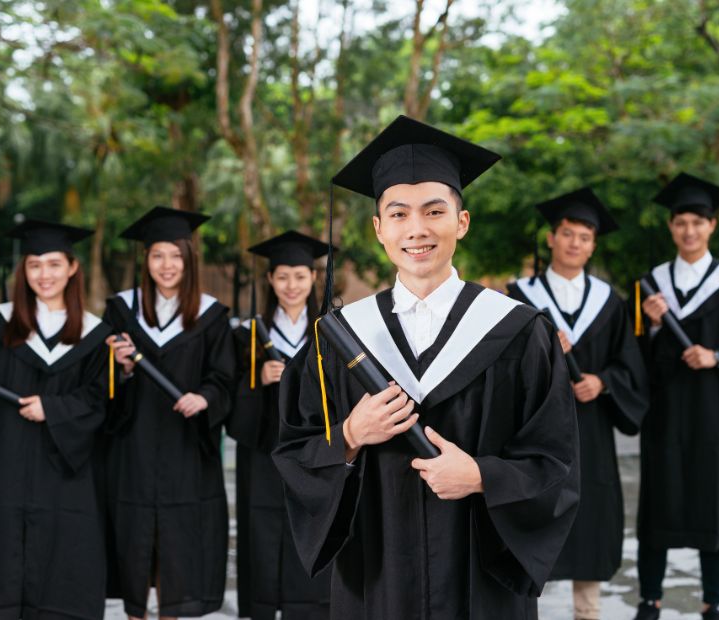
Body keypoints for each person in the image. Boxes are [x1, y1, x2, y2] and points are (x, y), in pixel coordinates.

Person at [273, 115, 580, 619]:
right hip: (376, 580)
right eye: (398, 214)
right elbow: (293, 450)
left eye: (434, 211)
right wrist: (350, 433)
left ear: (461, 221)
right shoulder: (340, 338)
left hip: (481, 584)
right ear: (378, 229)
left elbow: (558, 462)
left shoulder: (519, 332)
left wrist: (482, 475)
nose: (417, 229)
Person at [0, 220, 111, 619]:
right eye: (34, 265)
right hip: (3, 470)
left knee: (62, 565)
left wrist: (51, 409)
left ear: (72, 268)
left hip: (63, 479)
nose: (44, 274)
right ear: (24, 272)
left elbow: (100, 404)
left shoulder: (94, 335)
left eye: (54, 264)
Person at [632, 173, 719, 620]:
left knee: (713, 508)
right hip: (667, 417)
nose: (689, 230)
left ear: (712, 226)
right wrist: (654, 325)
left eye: (698, 221)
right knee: (658, 508)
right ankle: (649, 600)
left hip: (715, 416)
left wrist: (718, 356)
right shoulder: (651, 286)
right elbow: (632, 352)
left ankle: (714, 602)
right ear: (671, 227)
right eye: (681, 222)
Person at [508, 187, 649, 620]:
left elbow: (631, 366)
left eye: (584, 237)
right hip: (534, 430)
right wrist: (543, 353)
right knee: (532, 514)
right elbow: (502, 367)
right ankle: (521, 610)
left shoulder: (610, 303)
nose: (575, 243)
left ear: (593, 245)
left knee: (589, 521)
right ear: (551, 238)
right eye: (567, 234)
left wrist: (602, 383)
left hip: (590, 432)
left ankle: (587, 614)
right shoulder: (518, 296)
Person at [103, 206, 236, 619]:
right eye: (158, 255)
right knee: (134, 547)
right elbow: (97, 381)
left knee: (178, 554)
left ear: (188, 260)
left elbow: (225, 377)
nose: (166, 265)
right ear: (145, 260)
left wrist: (206, 398)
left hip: (186, 451)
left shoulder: (211, 316)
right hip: (134, 448)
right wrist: (120, 368)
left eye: (176, 255)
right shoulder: (121, 312)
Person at [228, 230, 332, 620]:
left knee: (311, 526)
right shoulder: (247, 335)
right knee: (261, 531)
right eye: (283, 276)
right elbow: (230, 403)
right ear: (270, 280)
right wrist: (256, 381)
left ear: (312, 279)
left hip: (313, 453)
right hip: (262, 456)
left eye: (300, 276)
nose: (292, 285)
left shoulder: (330, 332)